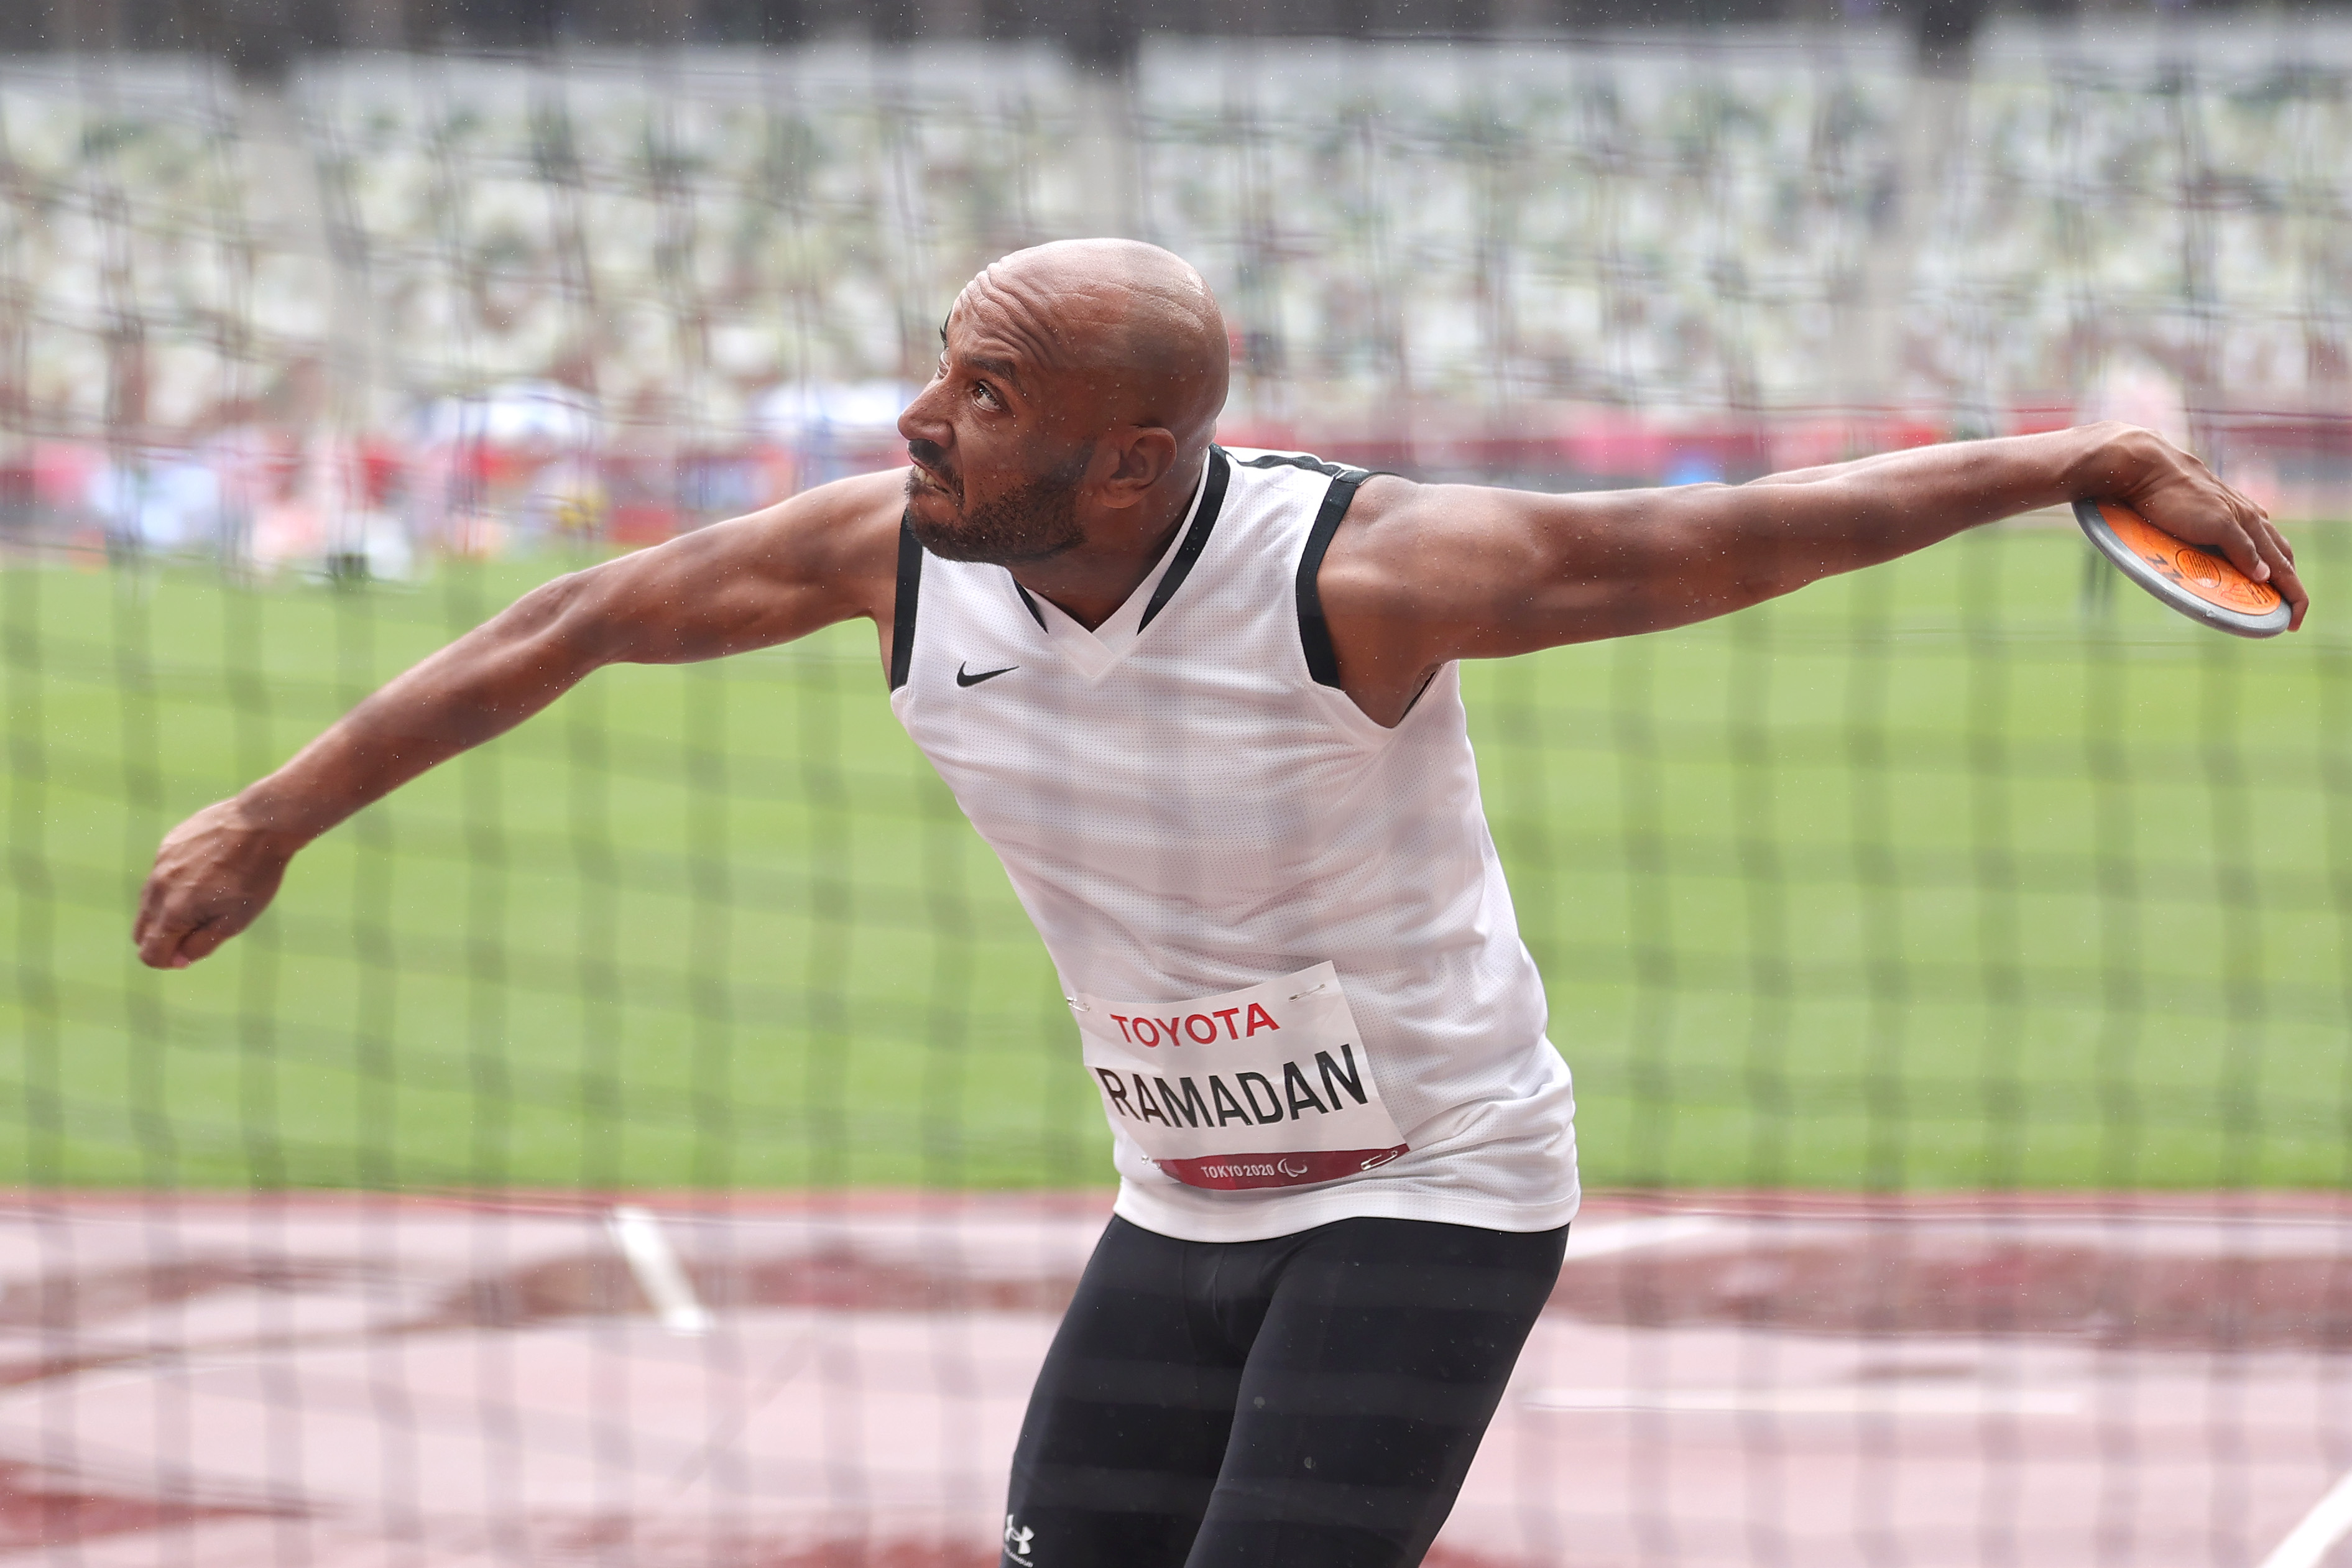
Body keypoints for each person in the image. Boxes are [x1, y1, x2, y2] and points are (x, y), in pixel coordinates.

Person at [132, 239, 2307, 1568]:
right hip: (1179, 1201)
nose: (916, 418)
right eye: (942, 366)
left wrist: (2063, 460)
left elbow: (1723, 536)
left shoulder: (1361, 577)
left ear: (1130, 460)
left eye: (984, 392)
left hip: (1436, 1188)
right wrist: (272, 810)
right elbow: (576, 620)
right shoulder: (879, 558)